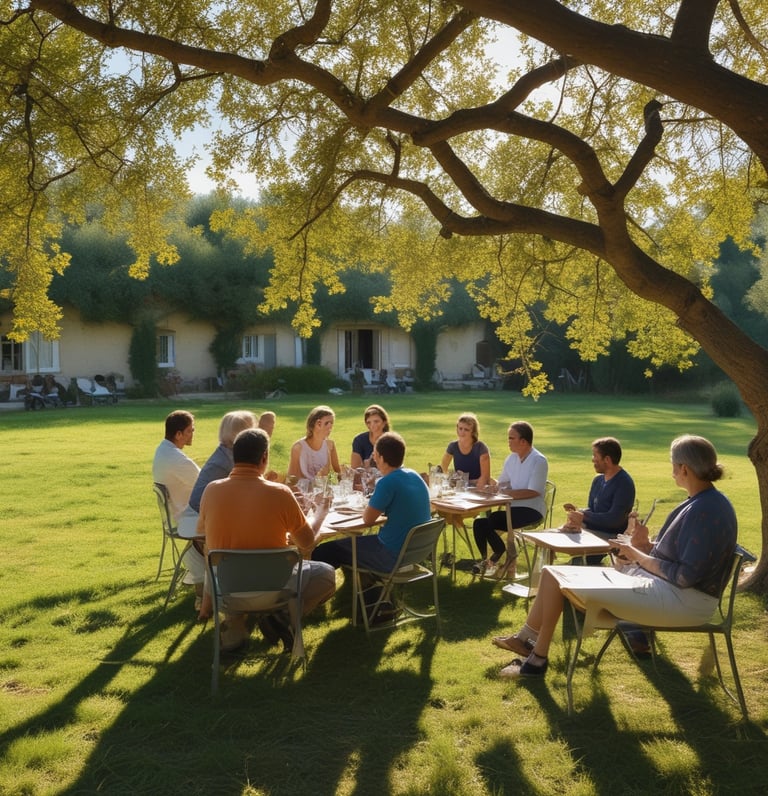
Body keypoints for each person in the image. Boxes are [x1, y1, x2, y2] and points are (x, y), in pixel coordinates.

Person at [492, 434, 737, 679]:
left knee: (557, 578)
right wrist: (646, 545)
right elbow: (682, 557)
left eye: (673, 464)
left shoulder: (705, 509)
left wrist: (637, 554)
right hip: (671, 591)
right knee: (550, 573)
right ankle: (528, 643)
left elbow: (685, 576)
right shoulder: (703, 502)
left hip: (683, 601)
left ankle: (535, 661)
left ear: (684, 468)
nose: (672, 470)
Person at [197, 428, 337, 652]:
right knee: (327, 574)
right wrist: (320, 512)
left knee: (234, 565)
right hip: (275, 588)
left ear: (235, 457)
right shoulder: (280, 493)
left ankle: (238, 623)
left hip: (226, 590)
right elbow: (307, 543)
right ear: (264, 457)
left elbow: (207, 541)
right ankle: (281, 617)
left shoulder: (211, 491)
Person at [313, 431, 432, 574]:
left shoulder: (387, 482)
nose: (373, 458)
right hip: (415, 551)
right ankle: (365, 587)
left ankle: (312, 589)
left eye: (374, 454)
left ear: (381, 458)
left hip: (390, 554)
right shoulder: (414, 475)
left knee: (326, 551)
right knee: (350, 545)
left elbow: (368, 520)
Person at [472, 420, 548, 578]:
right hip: (511, 508)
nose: (508, 441)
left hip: (532, 510)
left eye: (511, 438)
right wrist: (494, 488)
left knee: (492, 519)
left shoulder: (539, 460)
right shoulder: (511, 458)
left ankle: (501, 554)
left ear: (523, 441)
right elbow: (503, 482)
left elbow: (534, 491)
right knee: (479, 523)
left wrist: (506, 493)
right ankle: (486, 560)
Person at [562, 437, 636, 564]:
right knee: (560, 533)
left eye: (595, 456)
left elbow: (614, 520)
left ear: (607, 459)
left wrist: (584, 516)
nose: (592, 459)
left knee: (578, 562)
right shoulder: (598, 480)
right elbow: (593, 510)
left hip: (610, 536)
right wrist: (577, 513)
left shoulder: (624, 483)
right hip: (592, 529)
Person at [152, 410, 199, 521]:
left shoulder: (162, 450)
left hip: (174, 517)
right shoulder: (177, 459)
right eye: (190, 431)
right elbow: (204, 483)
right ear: (178, 434)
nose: (192, 434)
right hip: (187, 519)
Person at [287, 405, 341, 480]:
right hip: (304, 490)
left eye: (332, 423)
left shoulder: (330, 445)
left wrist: (328, 477)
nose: (330, 427)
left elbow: (337, 474)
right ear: (316, 424)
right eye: (327, 423)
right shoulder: (298, 447)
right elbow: (291, 479)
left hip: (324, 489)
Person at [440, 412, 491, 487]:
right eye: (460, 428)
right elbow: (443, 469)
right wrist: (451, 479)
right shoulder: (452, 446)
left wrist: (465, 482)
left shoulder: (481, 448)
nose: (462, 432)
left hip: (477, 488)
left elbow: (485, 478)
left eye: (466, 429)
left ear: (473, 432)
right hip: (459, 487)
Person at [350, 404, 390, 469]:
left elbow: (394, 467)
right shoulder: (359, 440)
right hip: (366, 477)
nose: (372, 425)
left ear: (384, 422)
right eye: (369, 422)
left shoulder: (392, 441)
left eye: (376, 421)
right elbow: (355, 468)